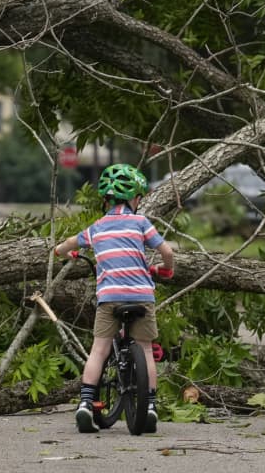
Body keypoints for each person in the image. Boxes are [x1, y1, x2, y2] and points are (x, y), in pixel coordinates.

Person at [53, 163, 175, 434]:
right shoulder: (141, 223)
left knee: (99, 349)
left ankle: (85, 403)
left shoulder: (97, 228)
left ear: (106, 199)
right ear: (136, 199)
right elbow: (167, 251)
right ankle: (151, 406)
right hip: (142, 297)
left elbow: (70, 243)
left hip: (109, 297)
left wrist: (59, 251)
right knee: (145, 349)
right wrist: (166, 269)